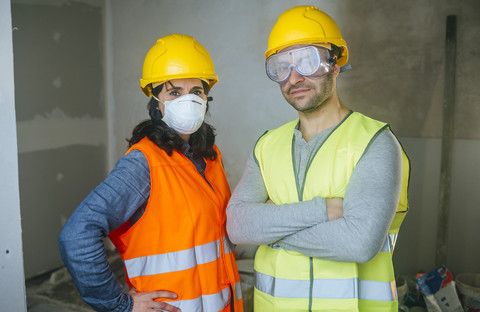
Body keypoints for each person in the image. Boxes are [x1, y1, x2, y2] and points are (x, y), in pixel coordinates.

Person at [226, 6, 410, 312]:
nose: (293, 77)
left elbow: (358, 243)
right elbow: (237, 226)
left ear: (335, 65)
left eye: (307, 61)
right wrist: (324, 210)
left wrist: (270, 229)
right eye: (280, 67)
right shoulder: (267, 146)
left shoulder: (374, 142)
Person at [59, 34, 243, 312]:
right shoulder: (143, 163)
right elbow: (77, 235)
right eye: (174, 92)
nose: (188, 100)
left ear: (207, 96)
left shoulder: (209, 157)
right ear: (156, 101)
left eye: (196, 91)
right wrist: (119, 305)